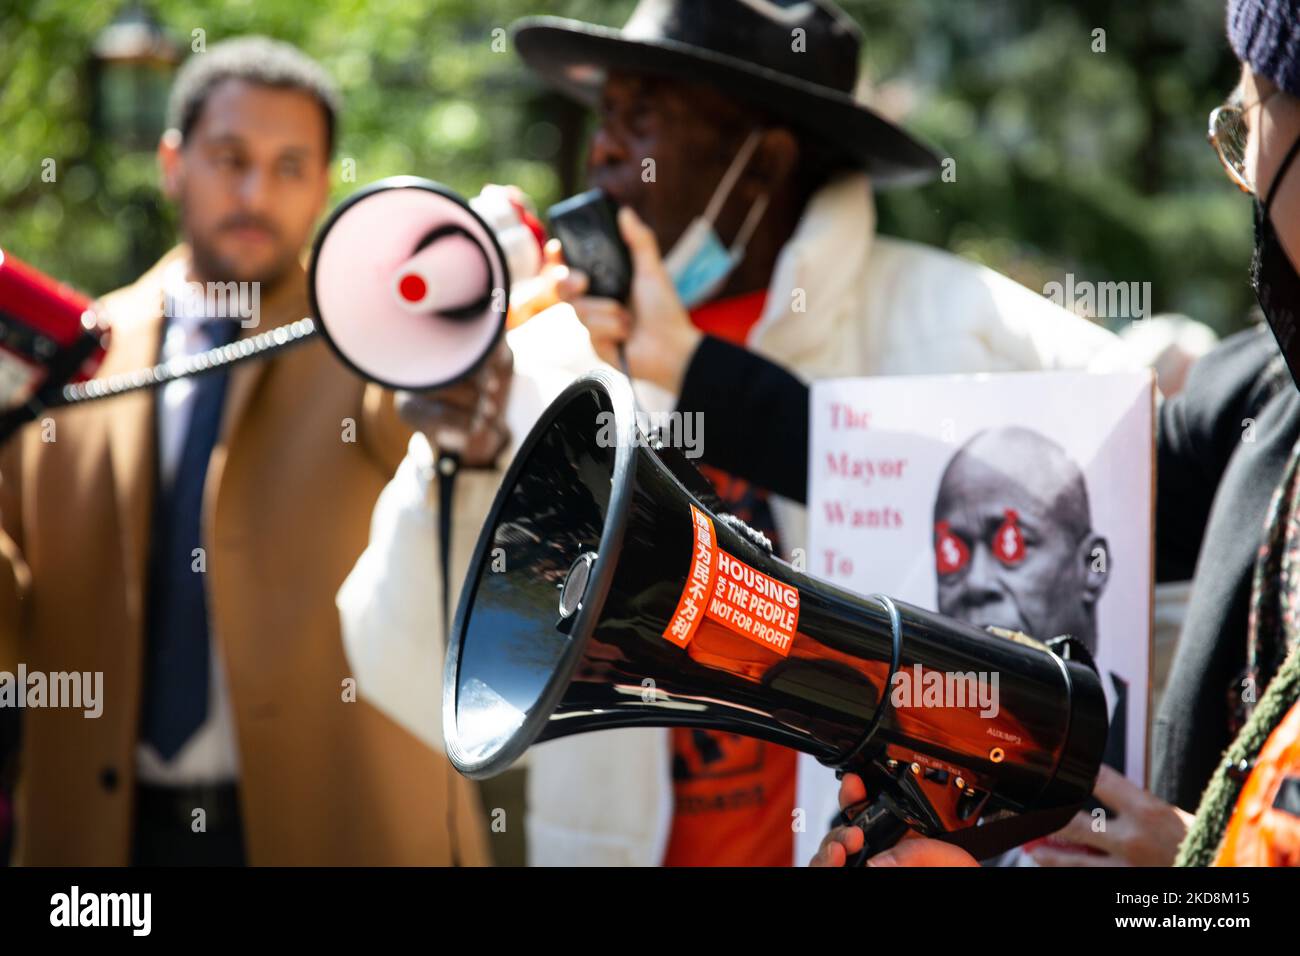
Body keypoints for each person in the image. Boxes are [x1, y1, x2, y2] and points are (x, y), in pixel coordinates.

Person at [339, 0, 1130, 867]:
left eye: (642, 118)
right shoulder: (550, 362)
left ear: (762, 164)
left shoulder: (969, 332)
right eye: (604, 115)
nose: (602, 148)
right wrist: (460, 459)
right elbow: (406, 673)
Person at [812, 0, 1300, 868]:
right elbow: (897, 453)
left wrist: (1201, 871)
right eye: (952, 555)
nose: (1246, 171)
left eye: (1249, 118)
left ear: (1090, 566)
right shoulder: (1265, 392)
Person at [0, 37, 488, 865]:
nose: (257, 192)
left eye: (291, 165)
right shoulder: (72, 358)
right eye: (230, 158)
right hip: (103, 848)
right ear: (171, 162)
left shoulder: (373, 340)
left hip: (342, 829)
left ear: (327, 180)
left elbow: (435, 434)